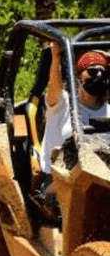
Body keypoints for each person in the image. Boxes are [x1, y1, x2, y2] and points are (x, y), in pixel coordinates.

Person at [42, 46, 110, 174]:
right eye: (93, 71)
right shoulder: (63, 104)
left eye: (103, 72)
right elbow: (55, 86)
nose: (99, 75)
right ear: (78, 80)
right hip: (59, 179)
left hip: (101, 179)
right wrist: (56, 58)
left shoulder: (108, 110)